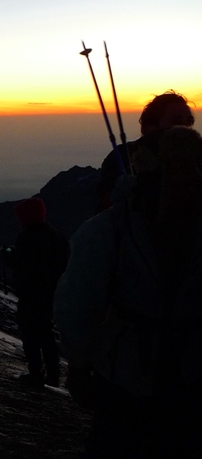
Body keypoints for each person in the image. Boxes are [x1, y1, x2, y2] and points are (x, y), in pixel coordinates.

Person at [55, 126, 202, 457]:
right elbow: (79, 304)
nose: (191, 175)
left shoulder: (109, 228)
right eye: (182, 165)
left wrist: (79, 365)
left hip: (128, 375)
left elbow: (77, 304)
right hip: (166, 375)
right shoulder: (110, 229)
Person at [0, 198, 69, 388]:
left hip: (31, 294)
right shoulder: (57, 236)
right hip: (51, 294)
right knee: (46, 332)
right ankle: (53, 374)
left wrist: (9, 258)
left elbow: (22, 267)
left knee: (30, 332)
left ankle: (36, 373)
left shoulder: (28, 237)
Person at [97, 91, 195, 210]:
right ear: (151, 126)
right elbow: (104, 204)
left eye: (189, 122)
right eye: (176, 121)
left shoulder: (195, 160)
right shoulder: (125, 156)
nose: (185, 127)